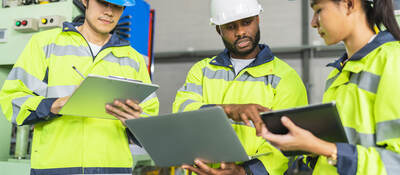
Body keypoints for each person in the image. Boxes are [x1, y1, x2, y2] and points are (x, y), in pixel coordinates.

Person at [0, 0, 159, 174]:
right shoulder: (45, 44)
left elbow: (149, 124)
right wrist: (56, 105)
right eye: (103, 2)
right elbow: (12, 100)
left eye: (117, 6)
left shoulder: (133, 59)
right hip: (55, 169)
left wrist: (135, 122)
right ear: (85, 1)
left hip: (113, 169)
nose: (109, 12)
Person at [263, 0, 400, 174]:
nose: (313, 23)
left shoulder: (393, 61)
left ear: (349, 4)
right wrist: (308, 148)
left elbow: (395, 164)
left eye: (319, 10)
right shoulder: (338, 72)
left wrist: (322, 147)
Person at [173, 0, 308, 174]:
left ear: (257, 19)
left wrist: (245, 171)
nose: (240, 32)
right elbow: (181, 114)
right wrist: (226, 110)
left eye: (246, 22)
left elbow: (288, 144)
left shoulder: (285, 78)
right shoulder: (202, 71)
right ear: (218, 29)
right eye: (230, 27)